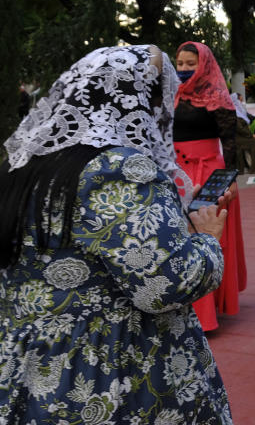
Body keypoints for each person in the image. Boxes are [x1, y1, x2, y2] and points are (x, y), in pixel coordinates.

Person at [0, 45, 233, 423]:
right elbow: (165, 284)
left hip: (30, 364)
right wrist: (206, 239)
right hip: (107, 370)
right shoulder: (118, 167)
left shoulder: (22, 165)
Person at [174, 41, 247, 331]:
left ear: (203, 64)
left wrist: (230, 181)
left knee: (205, 237)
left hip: (209, 176)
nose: (184, 69)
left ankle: (206, 313)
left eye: (190, 64)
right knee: (179, 237)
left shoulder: (218, 97)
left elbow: (230, 145)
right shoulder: (171, 96)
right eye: (180, 64)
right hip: (178, 174)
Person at [231, 92, 255, 174]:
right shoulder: (234, 112)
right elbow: (240, 129)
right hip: (239, 138)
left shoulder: (239, 111)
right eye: (240, 100)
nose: (241, 103)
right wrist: (252, 135)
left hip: (244, 136)